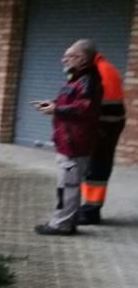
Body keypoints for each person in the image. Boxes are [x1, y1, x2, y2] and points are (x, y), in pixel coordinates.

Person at [33, 39, 103, 236]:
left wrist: (57, 109)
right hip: (68, 141)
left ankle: (61, 224)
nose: (64, 60)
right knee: (66, 185)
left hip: (75, 143)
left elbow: (85, 108)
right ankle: (66, 221)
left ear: (81, 59)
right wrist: (52, 104)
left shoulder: (87, 80)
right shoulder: (77, 78)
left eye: (69, 56)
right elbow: (68, 101)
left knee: (68, 187)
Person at [79, 48, 126, 224]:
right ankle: (90, 208)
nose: (66, 60)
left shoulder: (100, 71)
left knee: (96, 169)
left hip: (103, 127)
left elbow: (96, 104)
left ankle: (91, 211)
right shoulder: (103, 68)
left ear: (84, 58)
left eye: (73, 57)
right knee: (96, 167)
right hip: (107, 125)